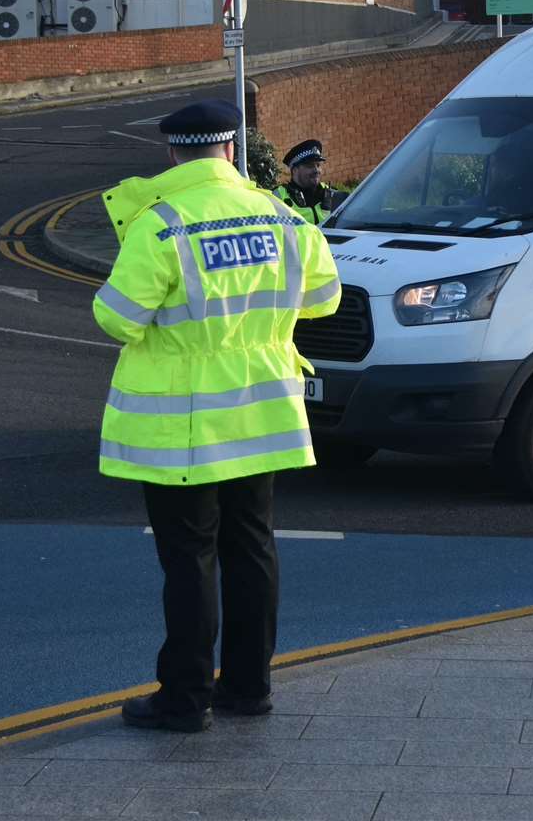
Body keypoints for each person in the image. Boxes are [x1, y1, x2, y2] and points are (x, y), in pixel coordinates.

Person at [92, 100, 341, 733]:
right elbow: (325, 298)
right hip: (262, 412)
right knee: (252, 547)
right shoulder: (280, 215)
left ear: (173, 154)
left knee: (190, 556)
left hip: (186, 424)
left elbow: (116, 317)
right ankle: (249, 688)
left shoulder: (162, 224)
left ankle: (185, 697)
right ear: (230, 151)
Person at [276, 139, 340, 224]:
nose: (316, 170)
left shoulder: (332, 194)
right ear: (295, 170)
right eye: (310, 166)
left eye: (318, 165)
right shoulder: (278, 197)